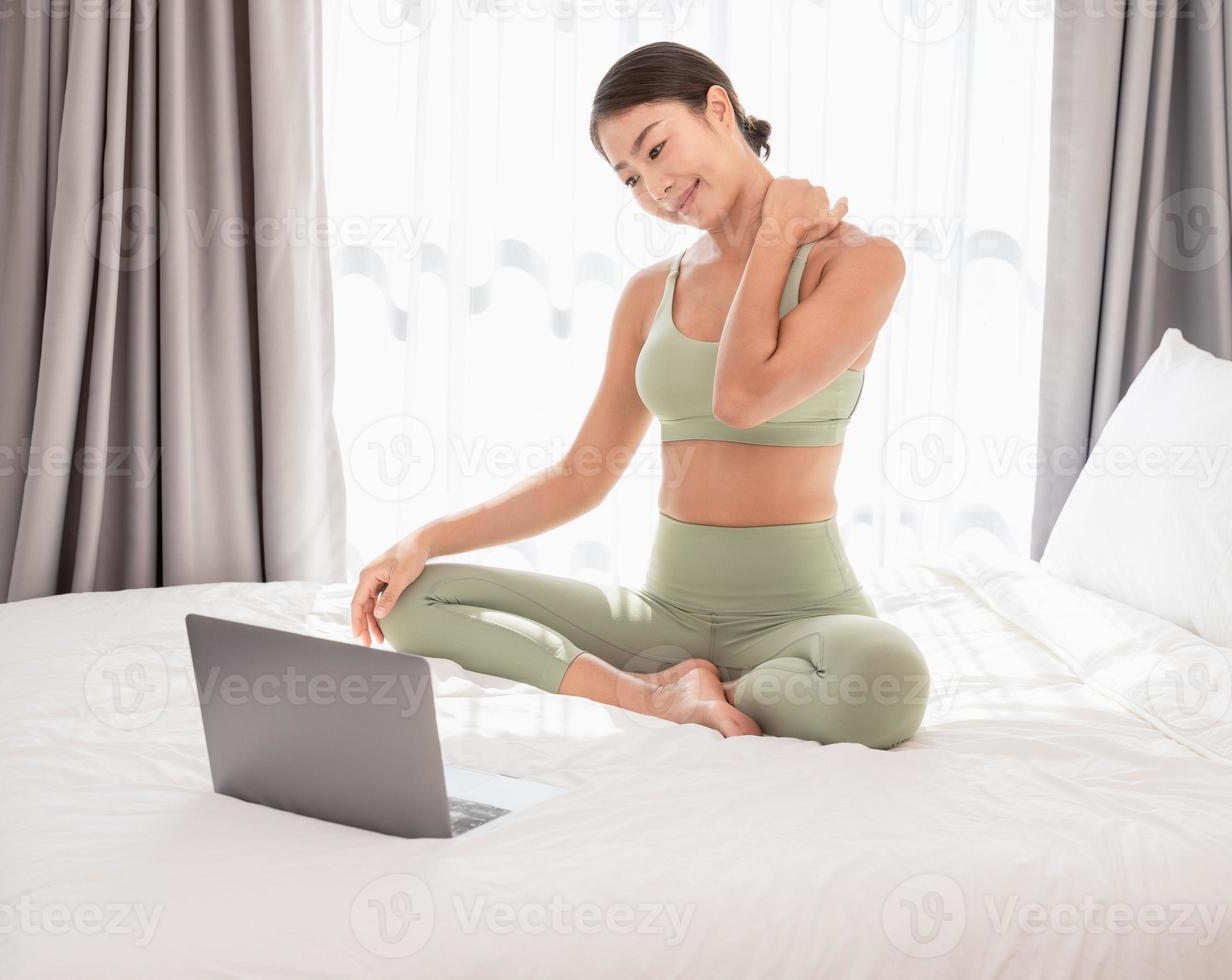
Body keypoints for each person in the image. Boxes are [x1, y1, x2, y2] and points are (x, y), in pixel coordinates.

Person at [350, 40, 929, 749]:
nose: (652, 186)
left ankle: (732, 692)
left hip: (801, 616)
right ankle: (661, 695)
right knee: (410, 602)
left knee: (880, 677)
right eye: (627, 178)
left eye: (655, 150)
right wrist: (419, 540)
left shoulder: (860, 263)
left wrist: (774, 235)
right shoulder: (650, 293)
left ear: (719, 109)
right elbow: (579, 476)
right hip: (666, 616)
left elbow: (742, 399)